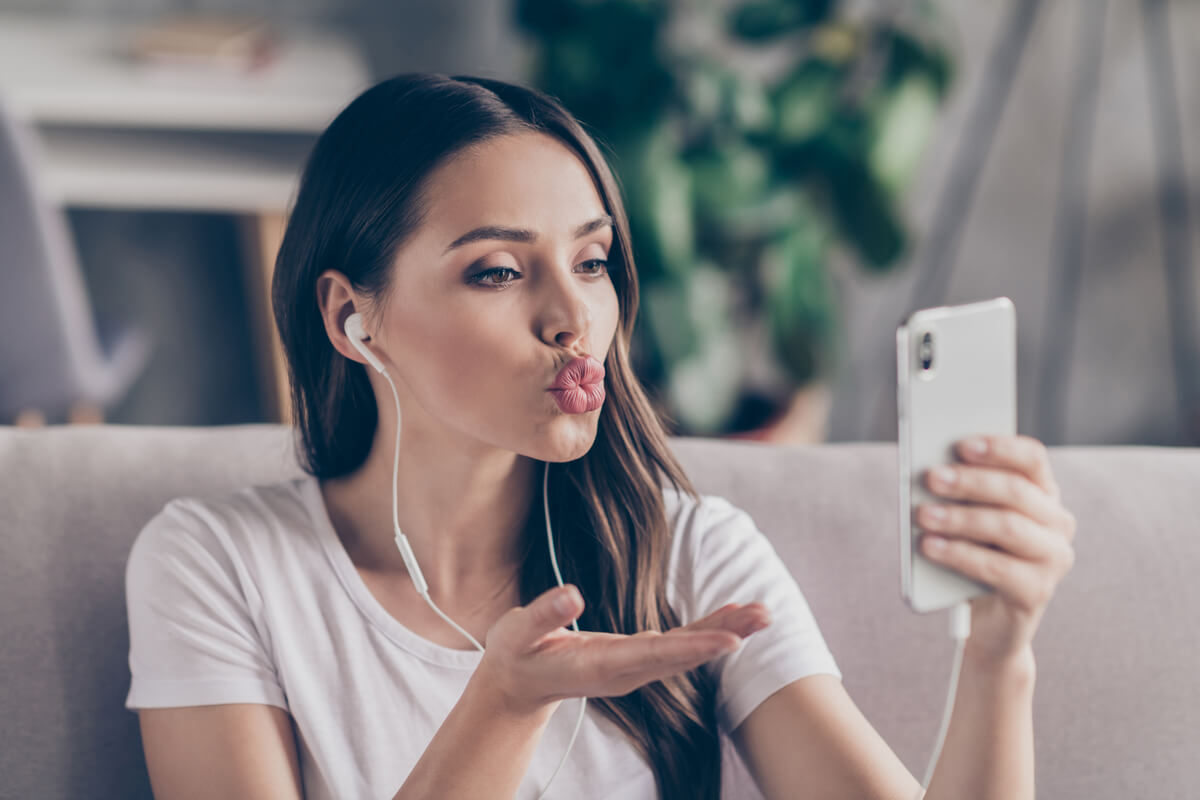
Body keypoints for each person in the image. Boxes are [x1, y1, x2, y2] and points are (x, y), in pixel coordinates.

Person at [123, 73, 1077, 800]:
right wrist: (503, 704)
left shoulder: (691, 554)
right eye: (498, 271)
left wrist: (999, 653)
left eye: (591, 261)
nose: (572, 316)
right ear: (353, 319)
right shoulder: (219, 565)